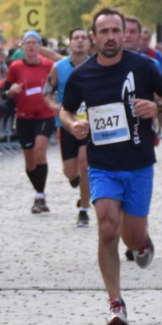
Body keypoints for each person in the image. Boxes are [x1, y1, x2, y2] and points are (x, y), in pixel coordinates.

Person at [58, 8, 162, 325]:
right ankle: (115, 302)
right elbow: (66, 112)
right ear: (93, 37)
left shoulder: (142, 66)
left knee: (131, 237)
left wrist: (157, 107)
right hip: (102, 165)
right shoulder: (82, 75)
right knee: (107, 227)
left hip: (138, 164)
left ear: (124, 34)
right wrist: (73, 125)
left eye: (115, 31)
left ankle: (142, 243)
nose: (110, 37)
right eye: (104, 31)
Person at [4, 30, 56, 213]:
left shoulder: (49, 65)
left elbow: (58, 83)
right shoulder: (15, 67)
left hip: (45, 115)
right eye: (28, 43)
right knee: (30, 161)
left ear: (40, 46)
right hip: (24, 117)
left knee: (40, 151)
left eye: (35, 43)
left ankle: (40, 196)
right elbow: (5, 91)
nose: (31, 46)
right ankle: (38, 191)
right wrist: (12, 90)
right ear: (23, 47)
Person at [54, 29, 94, 228]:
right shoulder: (58, 68)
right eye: (76, 38)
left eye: (83, 38)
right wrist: (56, 108)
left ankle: (84, 210)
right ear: (70, 43)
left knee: (85, 164)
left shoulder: (97, 65)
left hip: (90, 124)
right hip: (67, 124)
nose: (79, 42)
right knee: (70, 171)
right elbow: (47, 93)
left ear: (89, 42)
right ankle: (77, 183)